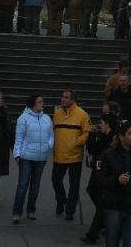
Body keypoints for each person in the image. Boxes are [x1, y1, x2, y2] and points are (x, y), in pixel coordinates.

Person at [98, 120, 131, 247]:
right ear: (121, 136)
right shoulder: (108, 154)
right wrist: (117, 180)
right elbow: (100, 178)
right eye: (130, 133)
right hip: (113, 206)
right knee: (112, 242)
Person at [11, 93, 54, 223]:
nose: (42, 104)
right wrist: (17, 154)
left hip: (41, 158)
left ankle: (31, 210)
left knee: (35, 186)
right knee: (23, 186)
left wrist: (48, 145)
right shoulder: (23, 118)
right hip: (26, 157)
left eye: (42, 101)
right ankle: (17, 212)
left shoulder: (47, 118)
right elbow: (19, 138)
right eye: (40, 101)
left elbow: (51, 135)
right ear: (33, 103)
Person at [52, 88, 91, 220]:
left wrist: (77, 142)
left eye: (66, 97)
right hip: (59, 155)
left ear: (73, 100)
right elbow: (53, 130)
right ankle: (61, 200)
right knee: (55, 181)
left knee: (74, 185)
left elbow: (87, 132)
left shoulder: (82, 114)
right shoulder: (57, 114)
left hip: (75, 156)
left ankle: (70, 210)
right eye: (62, 96)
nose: (63, 99)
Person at [82, 112, 119, 245]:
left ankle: (93, 234)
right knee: (91, 190)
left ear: (108, 125)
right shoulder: (103, 136)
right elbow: (93, 150)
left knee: (102, 203)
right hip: (97, 170)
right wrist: (92, 135)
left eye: (102, 123)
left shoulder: (114, 139)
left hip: (106, 174)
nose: (100, 125)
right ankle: (104, 218)